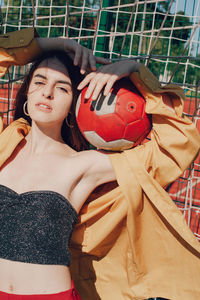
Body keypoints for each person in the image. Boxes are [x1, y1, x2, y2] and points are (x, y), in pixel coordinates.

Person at [0, 28, 200, 300]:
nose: (47, 93)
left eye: (62, 88)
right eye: (39, 82)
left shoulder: (85, 165)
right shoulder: (4, 144)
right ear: (27, 92)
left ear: (74, 105)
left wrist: (134, 70)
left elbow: (176, 143)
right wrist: (57, 44)